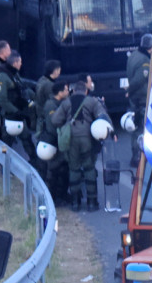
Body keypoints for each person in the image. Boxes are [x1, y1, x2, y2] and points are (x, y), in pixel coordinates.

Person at [51, 78, 110, 211]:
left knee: (74, 169)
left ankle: (75, 202)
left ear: (74, 90)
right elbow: (103, 116)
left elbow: (55, 120)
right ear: (86, 90)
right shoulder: (92, 101)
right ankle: (91, 201)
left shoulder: (66, 103)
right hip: (87, 138)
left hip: (71, 139)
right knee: (89, 168)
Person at [38, 81, 70, 202]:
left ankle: (61, 195)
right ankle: (52, 197)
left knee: (63, 169)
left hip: (59, 140)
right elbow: (53, 125)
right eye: (66, 90)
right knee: (54, 169)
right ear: (60, 92)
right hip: (53, 141)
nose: (68, 92)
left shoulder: (60, 103)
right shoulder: (51, 105)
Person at [125, 33, 152, 166]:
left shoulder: (133, 55)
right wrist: (129, 90)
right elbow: (139, 80)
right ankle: (138, 156)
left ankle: (135, 154)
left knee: (135, 126)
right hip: (140, 98)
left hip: (133, 98)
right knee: (140, 128)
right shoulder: (144, 61)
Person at [0, 51, 29, 147]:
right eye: (20, 62)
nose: (21, 64)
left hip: (17, 110)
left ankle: (33, 160)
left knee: (26, 137)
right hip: (9, 113)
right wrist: (15, 111)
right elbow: (1, 100)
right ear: (15, 63)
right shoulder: (2, 78)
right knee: (7, 140)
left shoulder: (14, 74)